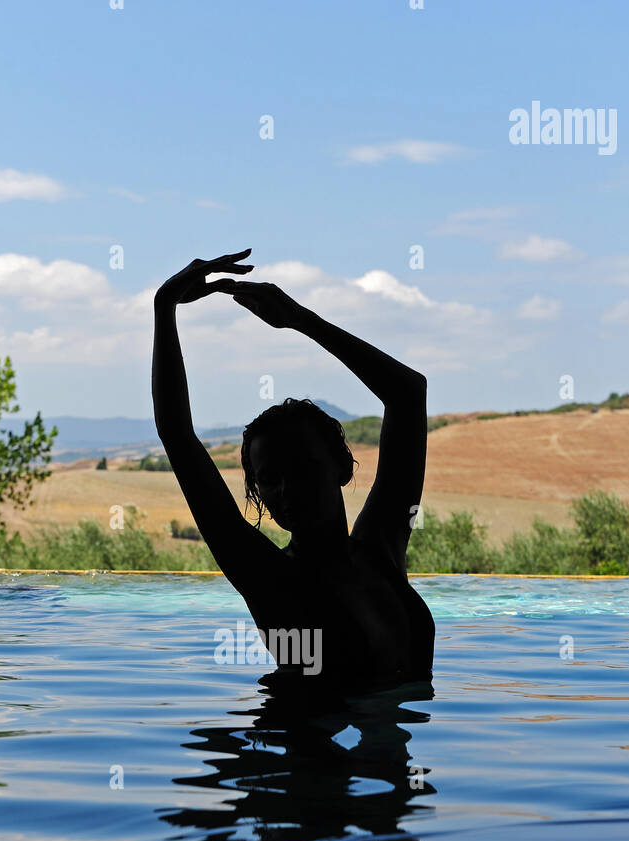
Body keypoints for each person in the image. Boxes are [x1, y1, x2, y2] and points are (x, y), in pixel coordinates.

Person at [152, 249, 435, 689]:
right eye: (269, 479)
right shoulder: (270, 578)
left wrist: (300, 319)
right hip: (302, 754)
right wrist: (163, 308)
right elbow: (176, 433)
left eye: (301, 467)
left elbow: (408, 392)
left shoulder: (380, 550)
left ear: (341, 466)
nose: (286, 489)